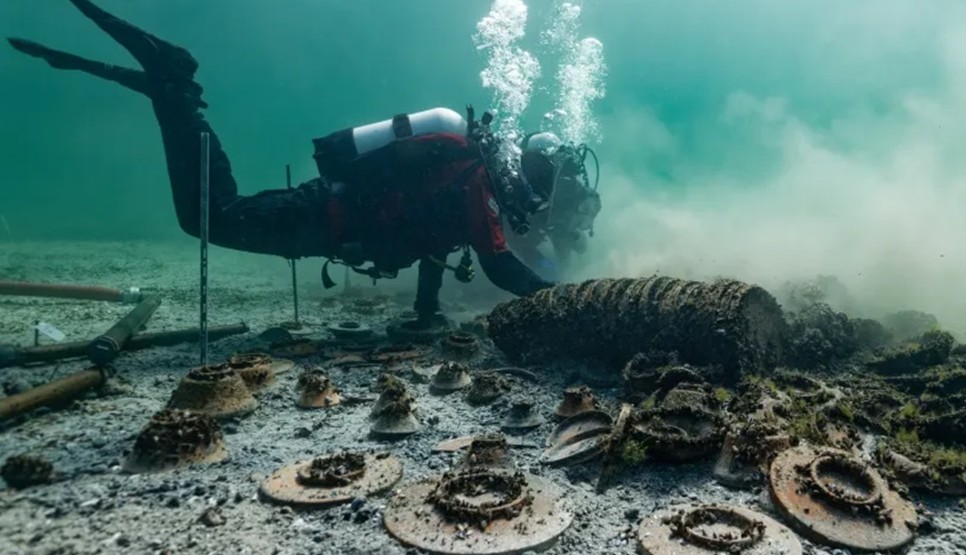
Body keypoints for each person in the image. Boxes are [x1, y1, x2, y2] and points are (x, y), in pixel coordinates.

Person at [8, 0, 568, 330]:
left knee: (211, 216)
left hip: (329, 219)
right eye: (545, 181)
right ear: (530, 170)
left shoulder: (464, 175)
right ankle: (175, 86)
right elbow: (498, 267)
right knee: (209, 217)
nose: (539, 194)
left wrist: (426, 311)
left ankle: (166, 94)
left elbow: (434, 239)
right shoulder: (479, 181)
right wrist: (566, 302)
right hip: (322, 217)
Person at [503, 132, 603, 280]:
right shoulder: (539, 198)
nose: (583, 226)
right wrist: (547, 268)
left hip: (552, 216)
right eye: (582, 222)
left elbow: (562, 236)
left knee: (574, 240)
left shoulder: (565, 193)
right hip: (524, 223)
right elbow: (518, 243)